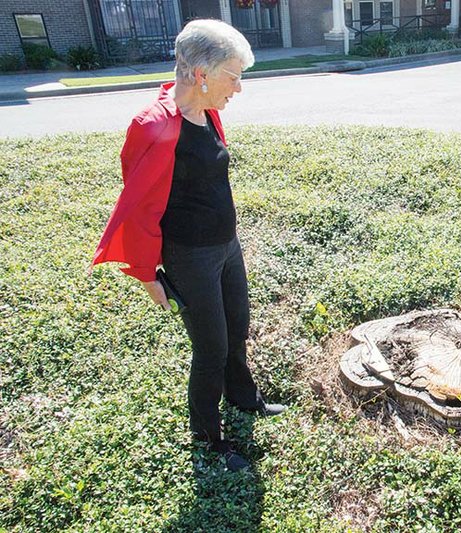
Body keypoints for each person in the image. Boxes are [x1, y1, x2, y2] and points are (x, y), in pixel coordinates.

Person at [92, 19, 285, 472]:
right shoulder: (151, 125)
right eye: (233, 76)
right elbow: (138, 205)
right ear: (201, 74)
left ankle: (243, 397)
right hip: (190, 257)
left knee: (237, 329)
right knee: (211, 348)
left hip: (226, 246)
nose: (238, 89)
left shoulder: (208, 112)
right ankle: (208, 442)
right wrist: (145, 274)